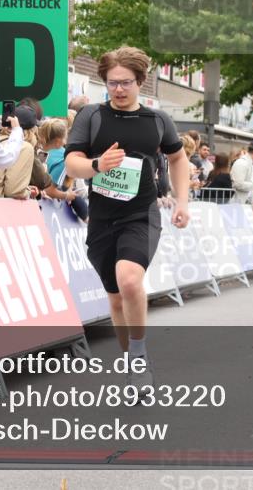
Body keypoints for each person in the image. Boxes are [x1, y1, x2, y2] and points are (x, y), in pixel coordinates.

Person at [64, 47, 190, 395]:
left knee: (130, 280)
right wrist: (96, 166)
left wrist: (182, 201)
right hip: (102, 217)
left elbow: (178, 160)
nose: (118, 90)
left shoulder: (157, 121)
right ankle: (133, 362)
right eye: (112, 83)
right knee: (116, 299)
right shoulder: (92, 115)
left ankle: (137, 358)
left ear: (140, 82)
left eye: (126, 83)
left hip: (141, 213)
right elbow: (71, 162)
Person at [230, 140, 253, 204]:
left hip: (243, 205)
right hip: (236, 205)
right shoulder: (242, 163)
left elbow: (250, 190)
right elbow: (238, 184)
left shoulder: (250, 163)